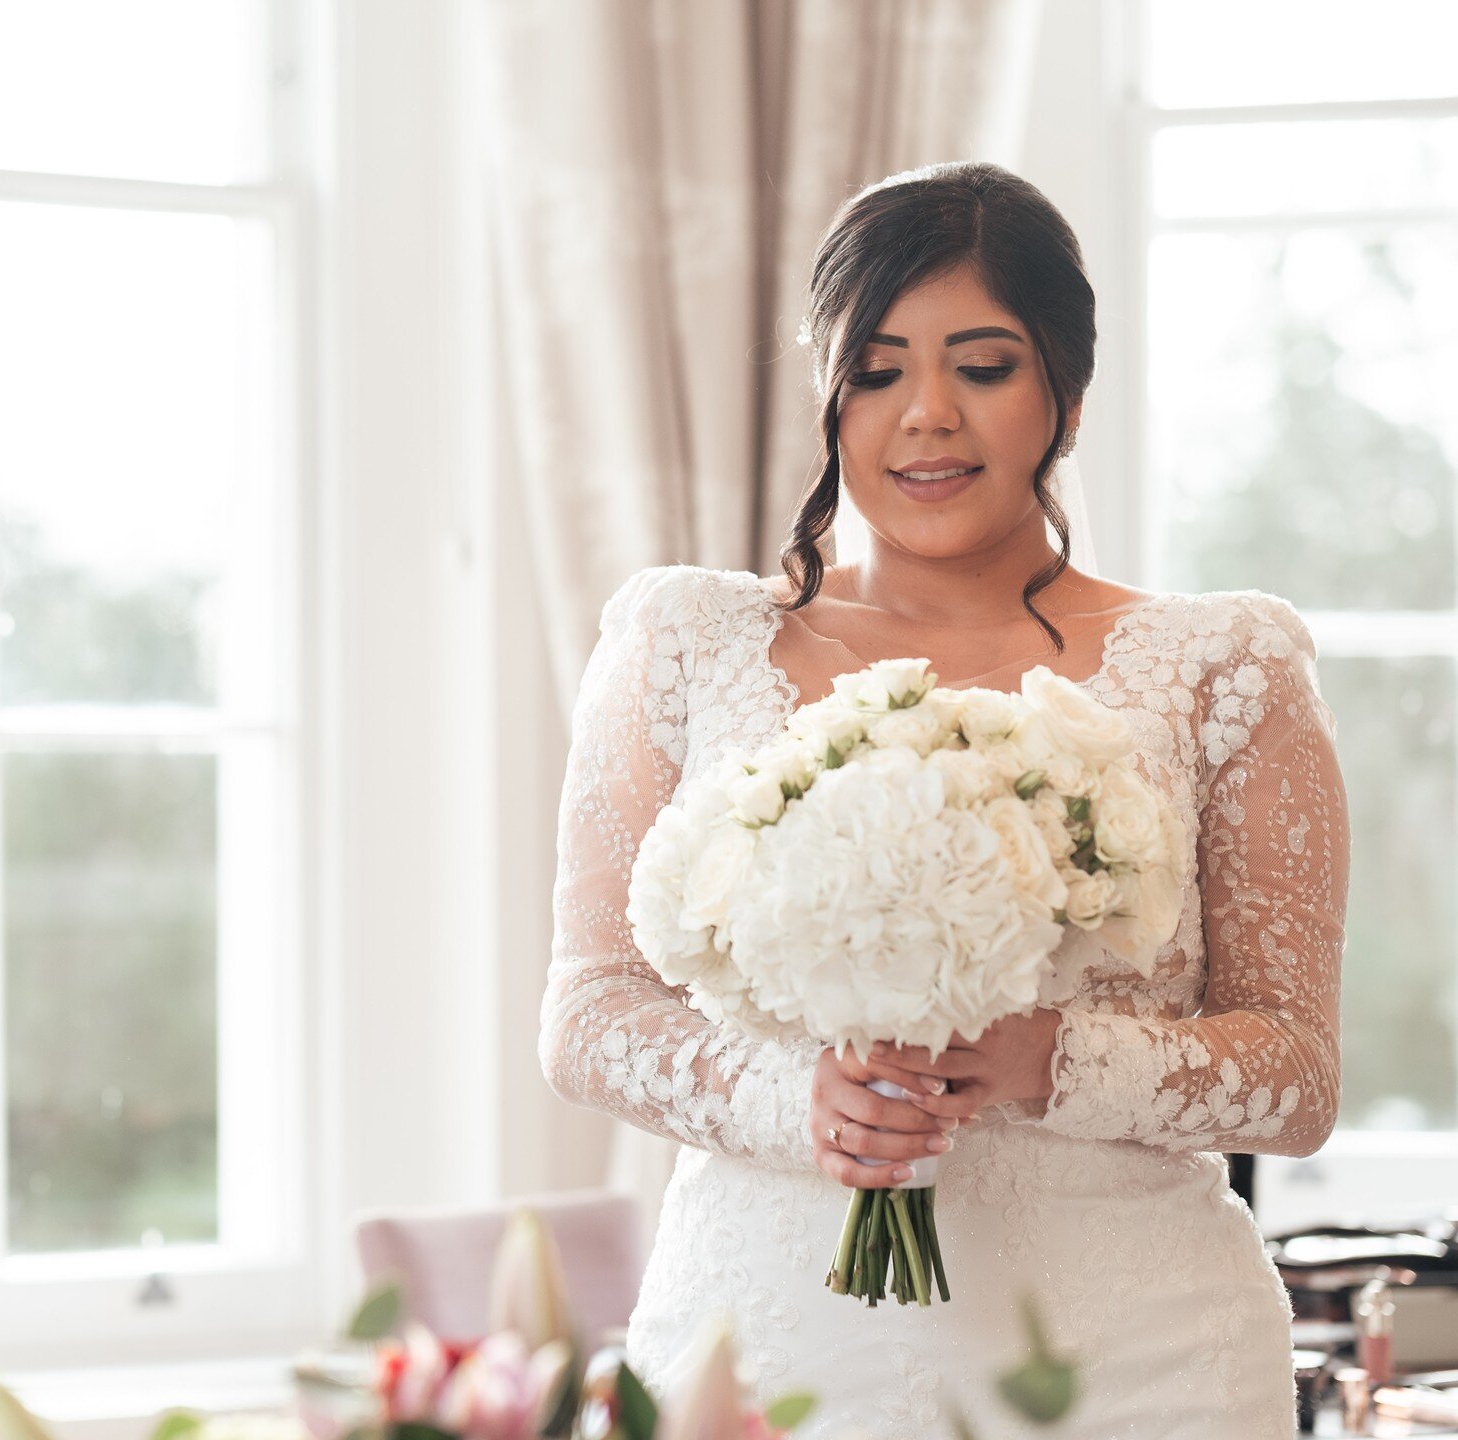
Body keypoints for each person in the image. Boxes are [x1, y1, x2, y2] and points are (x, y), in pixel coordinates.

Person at [539, 160, 1350, 1438]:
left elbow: (1295, 1074)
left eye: (982, 367)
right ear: (829, 394)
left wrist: (1050, 1058)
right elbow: (589, 1013)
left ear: (1066, 396)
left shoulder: (1222, 669)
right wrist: (790, 1099)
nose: (927, 416)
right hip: (770, 1340)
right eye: (877, 370)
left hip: (1133, 1359)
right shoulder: (687, 641)